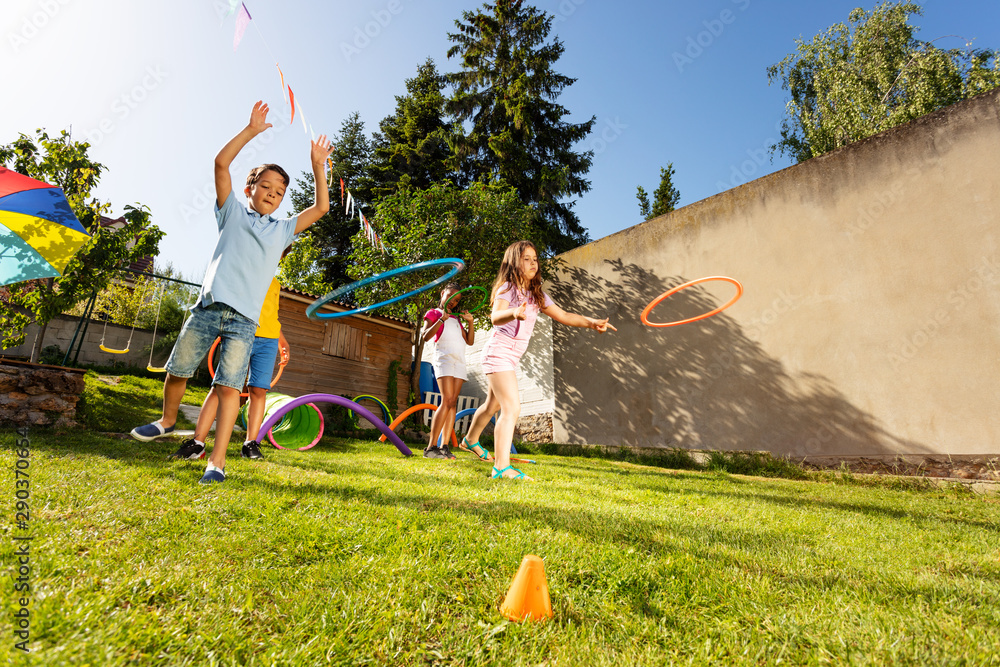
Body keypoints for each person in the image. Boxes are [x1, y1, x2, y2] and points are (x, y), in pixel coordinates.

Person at [130, 101, 332, 484]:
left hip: (244, 322)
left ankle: (217, 462)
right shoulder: (232, 212)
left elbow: (321, 207)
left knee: (228, 390)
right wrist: (251, 131)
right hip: (209, 308)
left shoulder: (284, 230)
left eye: (280, 190)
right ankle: (168, 420)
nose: (273, 193)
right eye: (266, 186)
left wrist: (317, 166)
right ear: (249, 188)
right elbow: (221, 164)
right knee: (177, 371)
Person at [461, 240, 616, 480]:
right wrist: (513, 312)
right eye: (527, 259)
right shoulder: (507, 289)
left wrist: (591, 322)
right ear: (514, 262)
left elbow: (563, 315)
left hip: (511, 356)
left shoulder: (537, 295)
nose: (533, 263)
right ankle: (501, 467)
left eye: (535, 259)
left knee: (493, 406)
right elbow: (494, 317)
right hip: (498, 351)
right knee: (512, 407)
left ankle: (470, 440)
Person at [169, 275, 290, 462]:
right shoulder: (245, 272)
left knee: (259, 390)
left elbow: (271, 315)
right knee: (222, 386)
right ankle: (197, 443)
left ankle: (250, 444)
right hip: (241, 333)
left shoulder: (275, 283)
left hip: (269, 341)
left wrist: (282, 342)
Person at [420, 283, 475, 459]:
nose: (453, 301)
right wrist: (441, 319)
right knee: (446, 400)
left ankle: (444, 446)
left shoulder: (457, 318)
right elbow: (425, 336)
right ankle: (430, 448)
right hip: (443, 359)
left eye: (457, 299)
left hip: (459, 361)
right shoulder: (434, 313)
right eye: (451, 296)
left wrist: (471, 322)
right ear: (443, 293)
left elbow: (470, 341)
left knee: (453, 403)